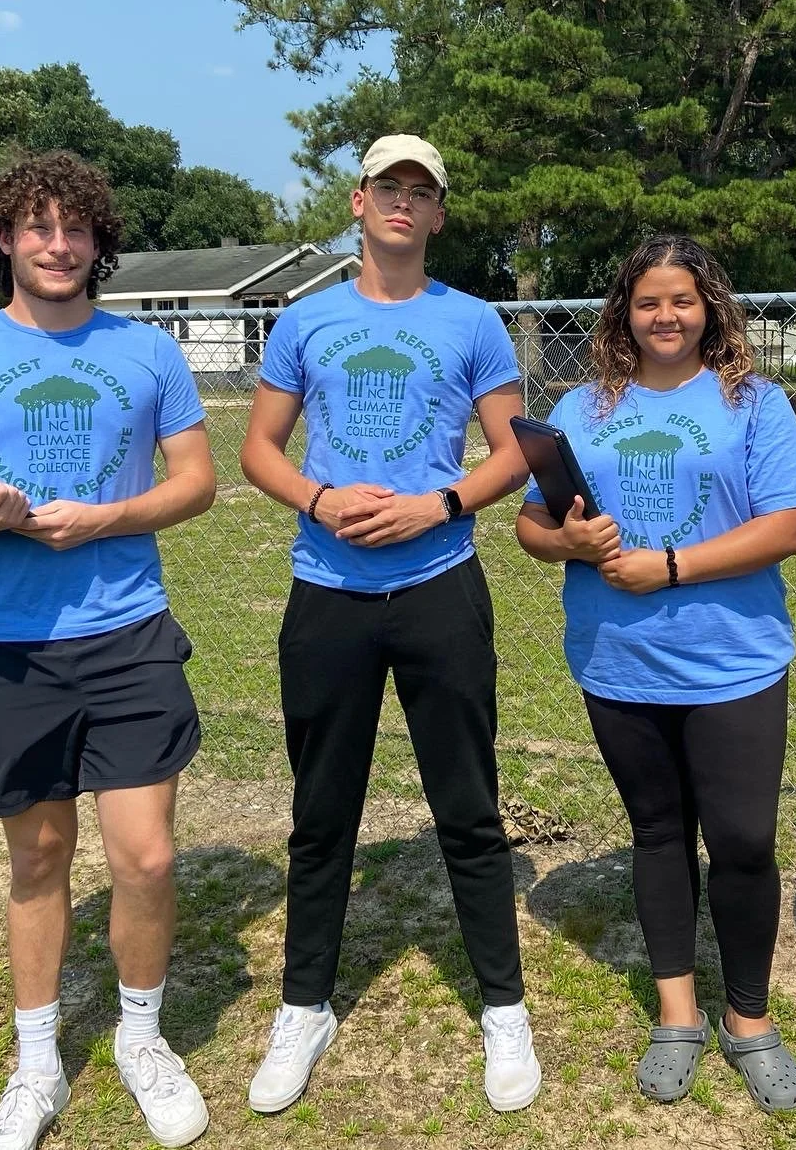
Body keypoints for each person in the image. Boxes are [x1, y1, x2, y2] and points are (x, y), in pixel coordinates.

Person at [0, 151, 216, 1150]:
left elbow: (196, 480)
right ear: (4, 238)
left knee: (147, 854)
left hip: (127, 631)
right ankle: (36, 1064)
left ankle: (142, 1038)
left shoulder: (147, 350)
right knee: (37, 855)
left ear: (97, 241)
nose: (58, 243)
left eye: (74, 227)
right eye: (36, 226)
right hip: (6, 645)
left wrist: (111, 513)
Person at [239, 134, 541, 1115]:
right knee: (322, 810)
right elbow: (259, 450)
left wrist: (439, 504)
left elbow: (515, 453)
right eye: (389, 187)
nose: (405, 202)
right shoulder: (304, 318)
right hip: (326, 587)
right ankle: (305, 1002)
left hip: (439, 584)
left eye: (424, 190)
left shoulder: (473, 322)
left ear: (439, 213)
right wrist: (321, 500)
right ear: (360, 201)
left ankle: (503, 1005)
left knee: (468, 802)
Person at [516, 235, 796, 1114]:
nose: (666, 316)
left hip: (734, 660)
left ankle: (749, 1021)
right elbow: (535, 526)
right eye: (649, 301)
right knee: (656, 833)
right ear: (625, 312)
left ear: (709, 306)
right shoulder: (582, 406)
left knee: (745, 840)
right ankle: (677, 1012)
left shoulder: (754, 403)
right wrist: (567, 540)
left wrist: (671, 565)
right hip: (621, 660)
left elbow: (785, 526)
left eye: (682, 299)